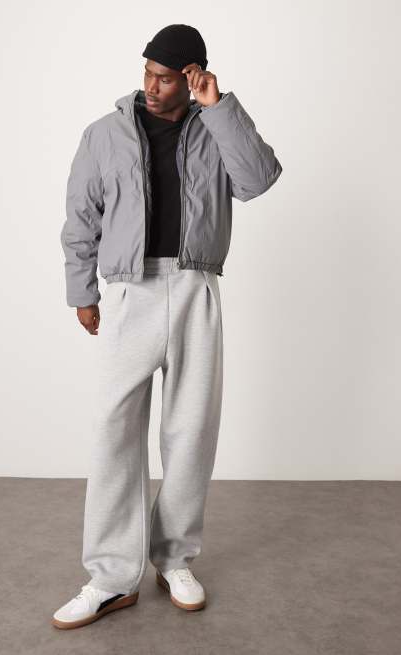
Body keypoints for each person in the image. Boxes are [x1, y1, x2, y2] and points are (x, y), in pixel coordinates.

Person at [52, 23, 282, 630]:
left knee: (190, 431)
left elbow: (259, 180)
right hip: (130, 289)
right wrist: (82, 290)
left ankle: (175, 559)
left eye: (165, 78)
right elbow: (81, 216)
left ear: (192, 76)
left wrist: (220, 107)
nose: (152, 87)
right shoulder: (103, 134)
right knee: (114, 430)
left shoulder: (215, 129)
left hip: (196, 285)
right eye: (147, 74)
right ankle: (110, 577)